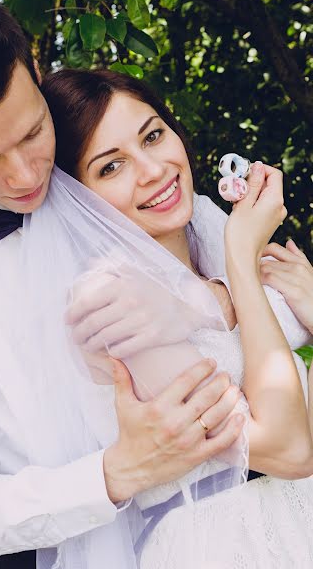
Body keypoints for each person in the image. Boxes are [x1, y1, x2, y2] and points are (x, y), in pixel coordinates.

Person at [0, 0, 245, 569]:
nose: (23, 175)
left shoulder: (117, 170)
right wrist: (120, 472)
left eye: (33, 133)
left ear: (38, 76)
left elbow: (254, 285)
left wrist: (201, 302)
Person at [33, 68, 313, 567]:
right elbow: (287, 449)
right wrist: (241, 262)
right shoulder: (110, 300)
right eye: (111, 167)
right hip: (231, 543)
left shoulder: (209, 236)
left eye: (153, 136)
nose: (153, 170)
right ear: (77, 197)